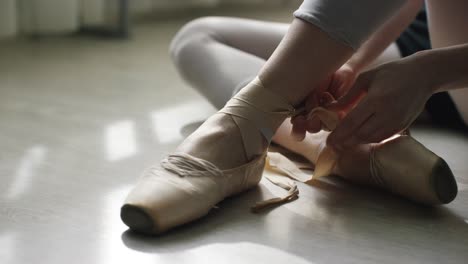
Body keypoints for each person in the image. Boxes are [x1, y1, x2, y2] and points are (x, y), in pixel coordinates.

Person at [120, 0, 464, 234]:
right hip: (423, 40)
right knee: (196, 37)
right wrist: (351, 63)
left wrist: (431, 72)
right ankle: (332, 143)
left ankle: (249, 124)